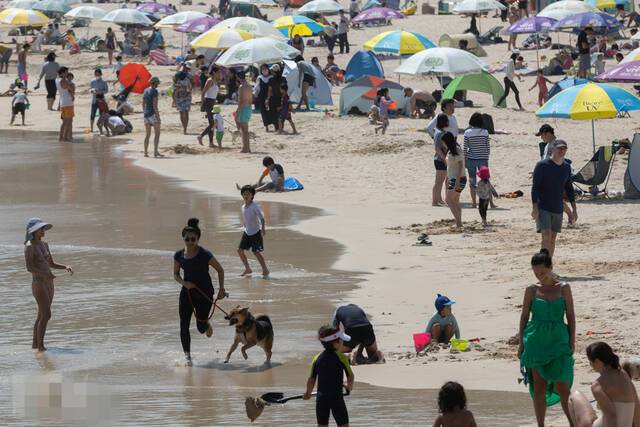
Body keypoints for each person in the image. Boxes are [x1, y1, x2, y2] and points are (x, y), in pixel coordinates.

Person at [518, 249, 575, 427]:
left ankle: (573, 423)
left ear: (551, 268)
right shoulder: (531, 290)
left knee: (563, 386)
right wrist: (521, 343)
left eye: (542, 272)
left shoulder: (564, 288)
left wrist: (572, 340)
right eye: (536, 273)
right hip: (535, 341)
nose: (539, 276)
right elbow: (524, 316)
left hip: (559, 340)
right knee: (539, 386)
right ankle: (540, 424)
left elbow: (571, 315)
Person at [173, 218, 226, 366]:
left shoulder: (204, 254)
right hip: (187, 294)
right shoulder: (178, 255)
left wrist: (221, 290)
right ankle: (188, 357)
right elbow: (176, 274)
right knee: (184, 325)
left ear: (198, 238)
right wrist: (185, 283)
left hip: (204, 294)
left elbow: (220, 270)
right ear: (183, 238)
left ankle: (206, 324)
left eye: (193, 239)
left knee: (201, 328)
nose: (190, 242)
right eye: (187, 239)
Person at [24, 218, 74, 352]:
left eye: (44, 228)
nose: (43, 231)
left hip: (49, 282)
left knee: (41, 315)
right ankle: (41, 347)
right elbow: (29, 267)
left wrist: (65, 266)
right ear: (34, 231)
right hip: (38, 282)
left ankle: (35, 345)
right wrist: (45, 274)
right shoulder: (29, 246)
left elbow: (51, 263)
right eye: (41, 229)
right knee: (46, 314)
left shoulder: (44, 245)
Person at [568, 342, 640, 427]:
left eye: (590, 361)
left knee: (574, 396)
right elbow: (637, 406)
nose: (590, 365)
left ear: (597, 361)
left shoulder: (598, 385)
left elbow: (611, 416)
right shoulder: (624, 375)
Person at [531, 139, 577, 258]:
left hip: (557, 207)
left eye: (564, 148)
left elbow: (569, 188)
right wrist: (534, 208)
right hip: (543, 206)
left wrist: (573, 210)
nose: (562, 151)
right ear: (553, 149)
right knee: (546, 235)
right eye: (559, 148)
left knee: (552, 238)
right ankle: (544, 266)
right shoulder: (542, 165)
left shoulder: (566, 167)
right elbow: (535, 187)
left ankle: (549, 265)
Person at [303, 325, 354, 427]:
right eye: (341, 340)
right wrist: (349, 387)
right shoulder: (342, 357)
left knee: (322, 425)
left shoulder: (317, 358)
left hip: (321, 399)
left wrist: (308, 393)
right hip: (337, 398)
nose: (343, 342)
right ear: (335, 342)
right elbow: (350, 376)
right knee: (343, 425)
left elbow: (311, 379)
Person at [237, 185, 269, 277]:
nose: (246, 195)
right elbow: (245, 217)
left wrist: (263, 229)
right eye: (244, 194)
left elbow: (262, 218)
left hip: (255, 233)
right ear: (242, 195)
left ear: (252, 195)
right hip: (247, 232)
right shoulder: (243, 207)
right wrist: (244, 224)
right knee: (239, 250)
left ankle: (265, 270)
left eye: (248, 194)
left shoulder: (254, 206)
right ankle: (247, 268)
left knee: (256, 252)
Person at [463, 112, 491, 208]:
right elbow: (487, 147)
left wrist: (465, 160)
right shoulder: (485, 132)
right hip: (483, 159)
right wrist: (486, 157)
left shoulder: (467, 132)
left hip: (471, 159)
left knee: (472, 181)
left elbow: (465, 148)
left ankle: (474, 203)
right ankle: (490, 202)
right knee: (486, 181)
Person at [444, 132, 465, 230]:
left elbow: (461, 165)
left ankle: (459, 223)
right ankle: (459, 223)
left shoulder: (456, 150)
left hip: (457, 179)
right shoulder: (451, 150)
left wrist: (457, 180)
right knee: (455, 201)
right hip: (455, 178)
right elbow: (450, 167)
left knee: (448, 200)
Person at [198, 66, 221, 146]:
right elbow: (203, 92)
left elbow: (214, 95)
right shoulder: (210, 80)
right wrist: (202, 104)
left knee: (212, 122)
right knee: (212, 124)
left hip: (212, 103)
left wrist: (215, 104)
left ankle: (211, 142)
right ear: (214, 72)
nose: (220, 74)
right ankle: (201, 136)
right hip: (208, 102)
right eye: (218, 72)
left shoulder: (215, 81)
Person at [432, 113, 449, 207]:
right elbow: (437, 148)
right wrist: (444, 159)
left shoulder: (438, 131)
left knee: (440, 181)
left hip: (439, 159)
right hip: (440, 159)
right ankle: (434, 201)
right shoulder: (439, 133)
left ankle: (439, 199)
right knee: (439, 182)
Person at [143, 76, 162, 158]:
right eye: (157, 83)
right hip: (152, 114)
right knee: (157, 133)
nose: (158, 84)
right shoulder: (154, 91)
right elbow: (155, 106)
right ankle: (155, 152)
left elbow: (143, 103)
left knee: (147, 135)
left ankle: (146, 153)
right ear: (155, 83)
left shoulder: (145, 90)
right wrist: (158, 117)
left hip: (146, 114)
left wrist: (144, 112)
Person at [172, 63, 194, 134]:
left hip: (179, 96)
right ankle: (185, 128)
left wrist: (174, 99)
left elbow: (174, 88)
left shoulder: (176, 75)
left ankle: (185, 128)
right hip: (186, 96)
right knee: (185, 113)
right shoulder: (189, 76)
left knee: (182, 113)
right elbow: (193, 85)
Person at [236, 73, 253, 153]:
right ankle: (247, 147)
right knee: (246, 130)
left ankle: (245, 148)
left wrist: (237, 113)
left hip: (243, 108)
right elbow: (250, 100)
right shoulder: (250, 86)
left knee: (244, 131)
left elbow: (241, 101)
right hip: (249, 108)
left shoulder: (241, 87)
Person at [56, 67, 74, 142]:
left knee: (66, 121)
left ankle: (63, 137)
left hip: (64, 102)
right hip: (67, 102)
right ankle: (64, 137)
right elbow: (70, 88)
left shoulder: (57, 80)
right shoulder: (63, 80)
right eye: (66, 72)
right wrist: (71, 90)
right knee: (68, 121)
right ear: (62, 73)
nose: (67, 74)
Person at [254, 64, 273, 132]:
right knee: (263, 112)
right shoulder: (259, 78)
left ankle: (274, 125)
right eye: (263, 69)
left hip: (271, 97)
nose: (264, 70)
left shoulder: (271, 77)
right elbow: (257, 88)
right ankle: (266, 127)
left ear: (268, 69)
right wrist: (255, 95)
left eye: (265, 69)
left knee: (272, 111)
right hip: (261, 97)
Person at [90, 68, 109, 133]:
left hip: (101, 100)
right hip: (94, 100)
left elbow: (106, 91)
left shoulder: (104, 82)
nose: (97, 75)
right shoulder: (92, 81)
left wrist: (100, 92)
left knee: (102, 114)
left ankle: (102, 128)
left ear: (101, 74)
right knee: (92, 114)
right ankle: (91, 128)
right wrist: (93, 91)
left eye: (98, 74)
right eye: (95, 74)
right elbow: (91, 89)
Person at [267, 64, 284, 130]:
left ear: (274, 71)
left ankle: (276, 127)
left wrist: (267, 99)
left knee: (274, 114)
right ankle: (281, 127)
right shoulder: (283, 78)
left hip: (273, 99)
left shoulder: (271, 79)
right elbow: (285, 90)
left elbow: (269, 90)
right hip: (281, 98)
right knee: (280, 113)